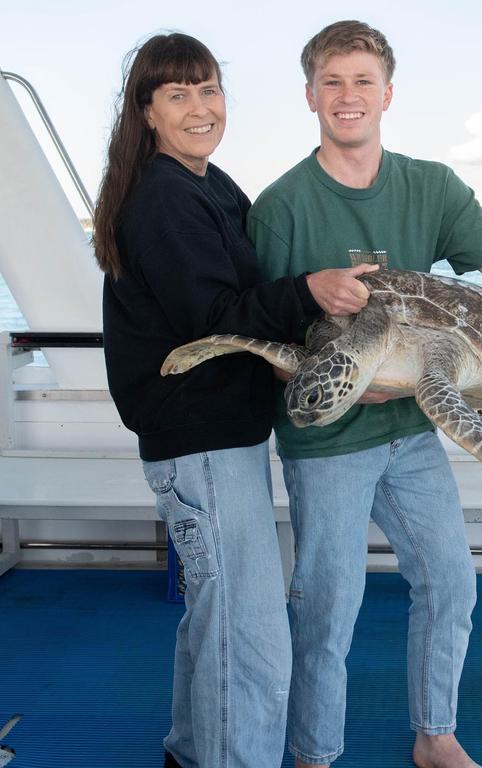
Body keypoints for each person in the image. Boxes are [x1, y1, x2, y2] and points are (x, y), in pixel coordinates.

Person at [247, 22, 482, 768]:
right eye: (332, 81)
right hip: (328, 443)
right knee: (327, 608)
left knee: (451, 581)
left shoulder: (430, 185)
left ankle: (435, 735)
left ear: (388, 93)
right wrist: (350, 384)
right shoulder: (281, 206)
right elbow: (263, 329)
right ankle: (315, 754)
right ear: (310, 93)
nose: (347, 96)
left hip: (414, 427)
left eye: (362, 81)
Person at [93, 32, 378, 768]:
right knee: (250, 638)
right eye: (178, 94)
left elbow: (243, 300)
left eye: (209, 89)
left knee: (214, 621)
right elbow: (216, 317)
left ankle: (191, 753)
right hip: (200, 444)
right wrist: (310, 289)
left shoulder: (210, 185)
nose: (200, 108)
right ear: (147, 112)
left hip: (223, 438)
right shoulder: (162, 197)